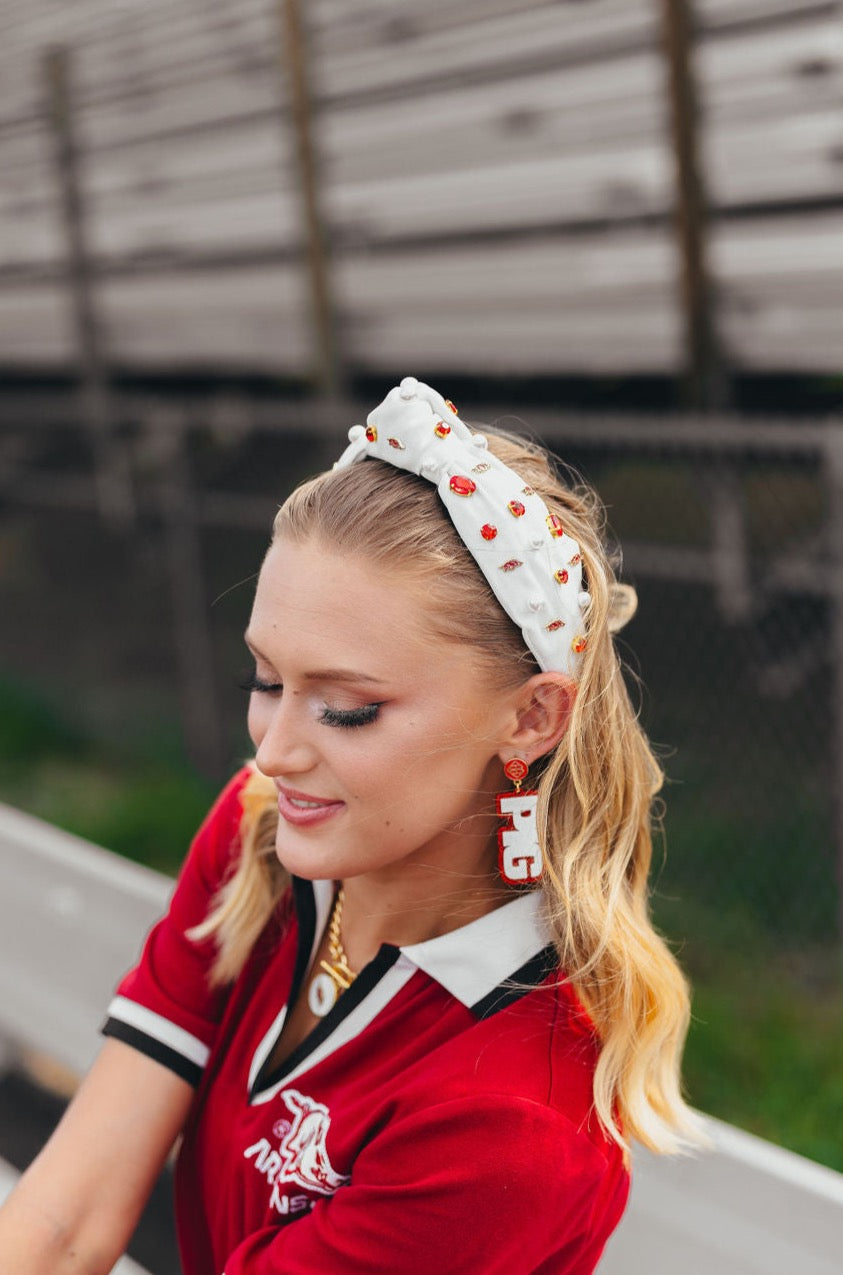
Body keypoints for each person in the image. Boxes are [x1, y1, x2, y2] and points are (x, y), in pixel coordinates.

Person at [0, 378, 702, 1274]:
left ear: (530, 717)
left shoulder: (507, 1116)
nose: (274, 753)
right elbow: (64, 1227)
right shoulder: (260, 834)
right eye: (266, 680)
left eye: (346, 708)